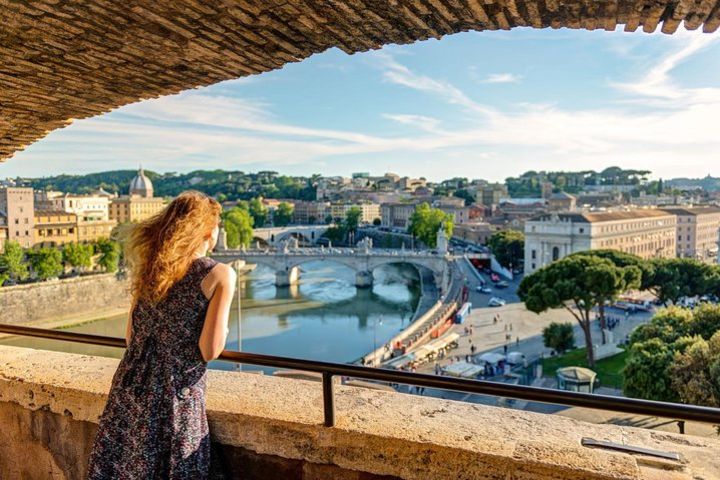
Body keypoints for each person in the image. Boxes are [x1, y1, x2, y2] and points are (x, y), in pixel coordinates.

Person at [87, 191, 236, 479]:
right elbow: (208, 350)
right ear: (207, 230)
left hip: (130, 388)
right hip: (174, 394)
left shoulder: (151, 269)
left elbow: (132, 337)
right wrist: (223, 329)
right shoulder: (219, 274)